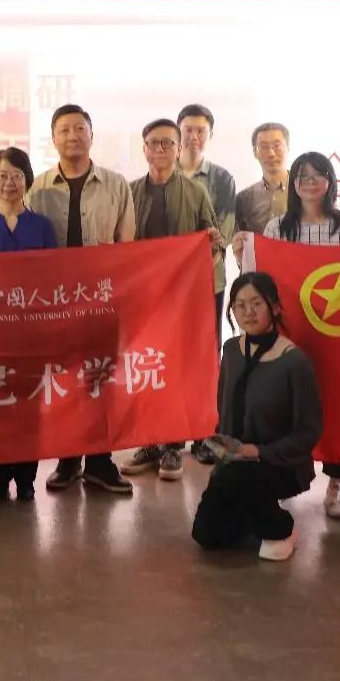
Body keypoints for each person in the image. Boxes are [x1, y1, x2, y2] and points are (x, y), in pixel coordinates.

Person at [27, 104, 136, 495]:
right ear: (53, 139)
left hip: (103, 300)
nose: (72, 136)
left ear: (91, 135)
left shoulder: (116, 185)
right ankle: (68, 460)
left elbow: (127, 246)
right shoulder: (37, 189)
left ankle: (101, 463)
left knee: (101, 381)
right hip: (56, 303)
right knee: (65, 381)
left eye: (79, 128)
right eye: (64, 130)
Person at [260, 152, 340, 520]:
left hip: (337, 330)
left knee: (335, 405)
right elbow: (266, 281)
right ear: (293, 183)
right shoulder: (277, 227)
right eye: (302, 176)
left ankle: (336, 485)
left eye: (317, 175)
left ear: (330, 181)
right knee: (284, 405)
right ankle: (281, 481)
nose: (309, 182)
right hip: (291, 328)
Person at [191, 272, 322, 562]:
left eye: (256, 303)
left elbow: (308, 431)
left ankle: (282, 527)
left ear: (274, 307)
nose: (248, 312)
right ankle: (251, 511)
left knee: (238, 480)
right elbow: (223, 405)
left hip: (279, 463)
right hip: (234, 462)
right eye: (239, 305)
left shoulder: (294, 362)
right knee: (207, 535)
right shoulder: (231, 351)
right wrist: (222, 446)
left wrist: (258, 452)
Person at [121, 119, 224, 483]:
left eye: (168, 143)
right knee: (146, 366)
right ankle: (150, 441)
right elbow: (120, 245)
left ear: (179, 149)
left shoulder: (196, 193)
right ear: (144, 149)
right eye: (154, 143)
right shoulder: (129, 191)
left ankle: (172, 446)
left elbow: (213, 243)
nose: (161, 149)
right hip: (143, 300)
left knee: (178, 369)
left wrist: (213, 242)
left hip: (183, 300)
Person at [0, 147, 58, 502]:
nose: (9, 183)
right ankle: (0, 477)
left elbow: (55, 280)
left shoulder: (42, 227)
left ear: (27, 180)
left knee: (29, 407)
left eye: (16, 175)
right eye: (2, 176)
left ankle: (27, 478)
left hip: (33, 334)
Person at [177, 104, 238, 465]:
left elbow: (223, 231)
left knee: (205, 357)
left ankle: (203, 433)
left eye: (200, 130)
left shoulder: (221, 179)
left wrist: (195, 261)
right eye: (188, 129)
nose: (193, 136)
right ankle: (168, 435)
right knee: (167, 356)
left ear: (210, 135)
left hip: (208, 283)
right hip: (167, 288)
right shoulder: (161, 173)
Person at [231, 122, 290, 256]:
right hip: (261, 267)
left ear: (288, 148)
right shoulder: (243, 199)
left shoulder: (307, 192)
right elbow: (241, 246)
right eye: (263, 147)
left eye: (277, 146)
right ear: (254, 152)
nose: (271, 153)